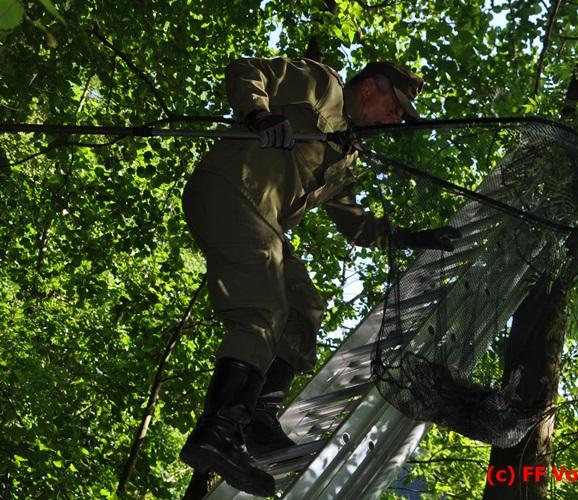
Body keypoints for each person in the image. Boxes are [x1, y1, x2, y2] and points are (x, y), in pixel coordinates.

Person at [178, 56, 461, 495]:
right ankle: (217, 432)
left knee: (303, 307)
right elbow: (248, 70)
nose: (393, 120)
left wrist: (412, 238)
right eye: (393, 108)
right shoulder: (322, 84)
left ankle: (257, 419)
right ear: (369, 88)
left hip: (263, 220)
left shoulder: (346, 155)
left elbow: (355, 226)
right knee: (263, 310)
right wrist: (259, 114)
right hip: (233, 190)